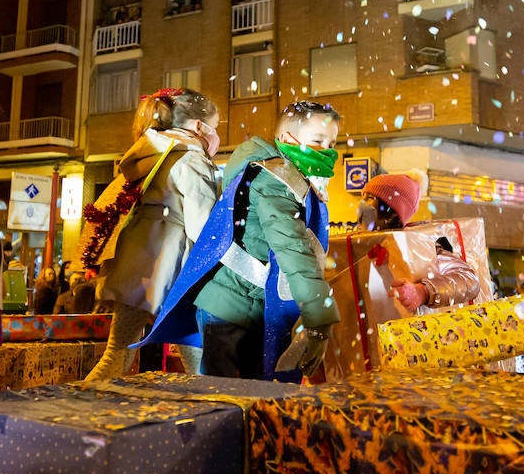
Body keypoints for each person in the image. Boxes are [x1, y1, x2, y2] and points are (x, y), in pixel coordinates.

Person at [142, 101, 341, 381]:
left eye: (332, 142)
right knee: (222, 400)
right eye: (318, 141)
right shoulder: (274, 182)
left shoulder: (294, 178)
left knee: (252, 399)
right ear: (287, 139)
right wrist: (319, 318)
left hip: (252, 306)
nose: (328, 151)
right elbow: (295, 251)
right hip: (229, 307)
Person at [84, 88, 220, 380]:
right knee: (198, 360)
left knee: (116, 354)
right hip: (173, 270)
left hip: (135, 263)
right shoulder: (191, 159)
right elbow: (203, 225)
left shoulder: (151, 152)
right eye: (215, 127)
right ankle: (212, 415)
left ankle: (84, 411)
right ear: (199, 126)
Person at [358, 171, 482, 314]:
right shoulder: (358, 244)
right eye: (362, 197)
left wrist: (423, 292)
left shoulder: (423, 246)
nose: (361, 205)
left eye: (370, 198)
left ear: (393, 212)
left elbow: (469, 281)